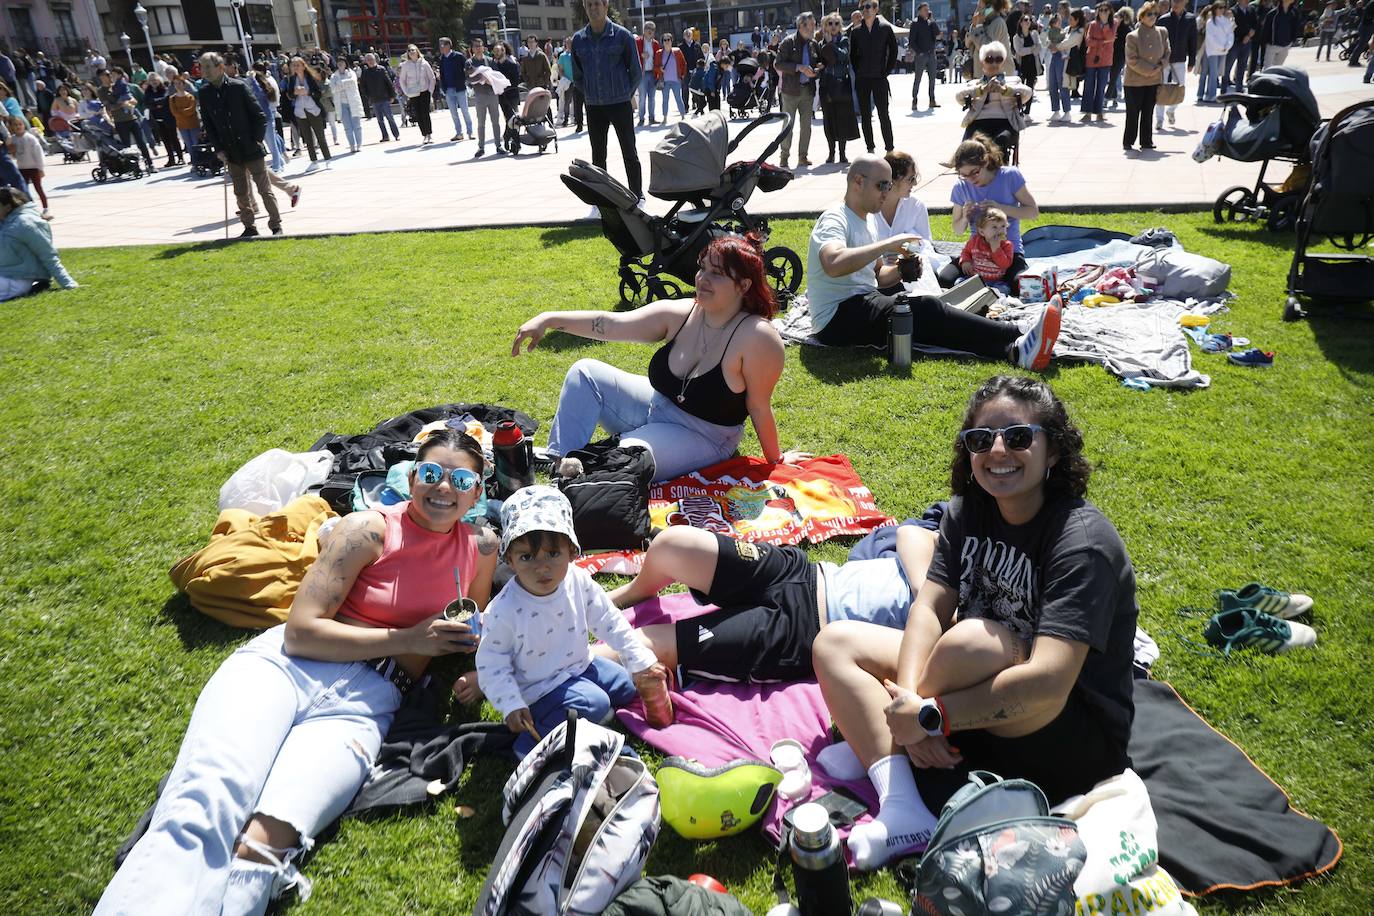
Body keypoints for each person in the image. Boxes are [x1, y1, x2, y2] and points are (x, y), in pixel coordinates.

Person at [94, 429, 495, 914]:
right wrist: (410, 639)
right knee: (205, 807)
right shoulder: (366, 530)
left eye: (460, 479)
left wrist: (472, 641)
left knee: (266, 845)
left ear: (477, 492)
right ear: (411, 479)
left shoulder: (482, 547)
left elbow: (474, 615)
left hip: (367, 704)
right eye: (431, 474)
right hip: (287, 670)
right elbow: (300, 633)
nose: (443, 489)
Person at [812, 376, 1138, 870]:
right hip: (971, 696)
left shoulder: (1083, 542)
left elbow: (1050, 682)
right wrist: (909, 696)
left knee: (974, 640)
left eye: (1020, 437)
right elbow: (929, 606)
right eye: (981, 440)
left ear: (1053, 452)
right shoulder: (968, 513)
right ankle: (903, 806)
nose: (998, 450)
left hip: (1065, 733)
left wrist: (928, 718)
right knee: (835, 643)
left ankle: (889, 743)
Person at [513, 235, 803, 481]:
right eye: (702, 268)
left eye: (717, 273)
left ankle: (576, 475)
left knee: (627, 457)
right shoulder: (681, 313)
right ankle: (558, 461)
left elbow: (759, 406)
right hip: (655, 406)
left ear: (744, 286)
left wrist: (775, 458)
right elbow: (611, 324)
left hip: (704, 436)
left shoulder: (758, 339)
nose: (702, 279)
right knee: (585, 372)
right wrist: (549, 319)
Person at [807, 153, 1060, 367]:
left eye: (889, 184)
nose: (887, 191)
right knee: (926, 310)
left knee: (925, 315)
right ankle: (1017, 339)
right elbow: (833, 263)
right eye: (882, 185)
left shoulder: (868, 219)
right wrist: (887, 244)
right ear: (858, 182)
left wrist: (901, 270)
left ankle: (1014, 344)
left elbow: (878, 276)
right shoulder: (834, 219)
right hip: (835, 319)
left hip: (862, 302)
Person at [477, 486, 667, 757]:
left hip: (580, 663)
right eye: (527, 557)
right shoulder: (504, 610)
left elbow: (608, 619)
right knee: (598, 704)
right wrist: (510, 704)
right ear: (509, 559)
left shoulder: (577, 581)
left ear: (572, 551)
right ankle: (532, 743)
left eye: (553, 554)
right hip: (539, 687)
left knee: (625, 686)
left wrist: (638, 657)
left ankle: (582, 716)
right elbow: (491, 662)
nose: (542, 568)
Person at [197, 52, 282, 239]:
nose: (204, 71)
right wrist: (218, 149)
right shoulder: (204, 93)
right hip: (230, 151)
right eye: (202, 67)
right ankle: (249, 226)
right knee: (240, 192)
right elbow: (209, 124)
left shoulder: (239, 87)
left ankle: (276, 225)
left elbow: (259, 116)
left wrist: (256, 140)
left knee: (264, 189)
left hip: (251, 147)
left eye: (207, 67)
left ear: (220, 67)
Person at [944, 134, 1042, 288]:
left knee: (1021, 285)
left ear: (986, 161)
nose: (970, 179)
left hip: (1008, 251)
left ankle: (997, 285)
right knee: (944, 278)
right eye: (964, 175)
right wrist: (964, 217)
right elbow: (957, 230)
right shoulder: (960, 187)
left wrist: (1000, 208)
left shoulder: (1009, 176)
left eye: (974, 172)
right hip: (977, 253)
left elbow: (1032, 212)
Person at [572, 0, 644, 198]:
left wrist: (624, 94)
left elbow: (636, 72)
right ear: (585, 8)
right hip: (594, 106)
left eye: (597, 4)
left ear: (606, 5)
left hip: (620, 104)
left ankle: (637, 195)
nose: (593, 9)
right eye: (589, 5)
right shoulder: (579, 39)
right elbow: (577, 76)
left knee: (629, 152)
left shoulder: (622, 36)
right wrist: (589, 94)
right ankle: (601, 196)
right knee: (598, 155)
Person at [876, 150, 947, 278]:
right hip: (878, 274)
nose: (914, 183)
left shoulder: (916, 206)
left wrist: (906, 253)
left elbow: (925, 244)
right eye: (911, 179)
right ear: (892, 180)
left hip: (911, 269)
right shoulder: (869, 208)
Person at [954, 42, 1031, 159]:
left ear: (1003, 62)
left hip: (1006, 122)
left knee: (1002, 140)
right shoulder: (974, 83)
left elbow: (1028, 93)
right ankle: (964, 164)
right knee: (972, 143)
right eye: (989, 59)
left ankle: (1000, 171)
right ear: (982, 63)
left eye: (998, 59)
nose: (994, 63)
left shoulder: (1013, 81)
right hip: (979, 122)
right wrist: (981, 89)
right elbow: (959, 97)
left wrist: (1004, 90)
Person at [850, 0, 899, 154]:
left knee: (884, 114)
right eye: (863, 7)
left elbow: (894, 51)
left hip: (879, 77)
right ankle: (870, 148)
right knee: (865, 115)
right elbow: (853, 56)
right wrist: (859, 72)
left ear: (876, 9)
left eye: (868, 7)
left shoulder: (885, 28)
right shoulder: (856, 31)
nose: (865, 10)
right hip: (863, 79)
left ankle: (889, 149)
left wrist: (887, 70)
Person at [775, 12, 822, 170]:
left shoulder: (813, 44)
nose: (813, 28)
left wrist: (815, 71)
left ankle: (803, 156)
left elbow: (819, 64)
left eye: (814, 25)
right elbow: (778, 64)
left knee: (806, 126)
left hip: (807, 91)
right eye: (811, 25)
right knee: (788, 125)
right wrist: (798, 68)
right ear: (801, 26)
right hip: (790, 91)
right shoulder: (788, 42)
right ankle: (784, 157)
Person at [1123, 2, 1169, 152]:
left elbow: (1167, 52)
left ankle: (1146, 141)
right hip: (1134, 81)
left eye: (1155, 14)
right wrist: (1150, 70)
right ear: (1141, 17)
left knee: (1148, 111)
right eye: (1149, 14)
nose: (1153, 17)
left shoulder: (1162, 32)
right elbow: (1132, 59)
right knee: (1133, 113)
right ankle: (1128, 141)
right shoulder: (1132, 36)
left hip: (1154, 80)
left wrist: (1160, 66)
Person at [818, 12, 861, 164]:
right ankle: (831, 153)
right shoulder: (820, 43)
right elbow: (820, 61)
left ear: (840, 26)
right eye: (830, 23)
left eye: (836, 23)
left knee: (842, 119)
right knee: (829, 120)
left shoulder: (843, 40)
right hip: (827, 85)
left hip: (842, 84)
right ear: (825, 26)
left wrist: (831, 44)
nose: (833, 26)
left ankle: (842, 154)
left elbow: (844, 56)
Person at [96, 68, 155, 173]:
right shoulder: (101, 91)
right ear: (101, 77)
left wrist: (129, 102)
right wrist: (122, 104)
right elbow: (109, 107)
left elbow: (134, 100)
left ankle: (150, 164)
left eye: (111, 74)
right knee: (126, 146)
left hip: (132, 118)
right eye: (107, 74)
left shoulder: (119, 85)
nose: (110, 76)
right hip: (120, 121)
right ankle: (133, 167)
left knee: (141, 143)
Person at [1155, 0, 1197, 131]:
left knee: (1180, 89)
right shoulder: (1163, 19)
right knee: (1160, 90)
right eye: (1173, 1)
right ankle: (1159, 120)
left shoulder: (1190, 19)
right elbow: (1157, 41)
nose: (1175, 3)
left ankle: (1171, 109)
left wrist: (1192, 61)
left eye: (1179, 1)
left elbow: (1193, 41)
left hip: (1180, 59)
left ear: (1185, 2)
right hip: (1163, 60)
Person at [281, 56, 331, 163]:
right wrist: (295, 92)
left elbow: (318, 93)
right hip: (300, 111)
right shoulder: (292, 79)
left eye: (298, 65)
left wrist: (307, 92)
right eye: (294, 66)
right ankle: (314, 161)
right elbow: (289, 94)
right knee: (308, 138)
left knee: (320, 136)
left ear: (303, 66)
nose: (296, 67)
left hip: (313, 109)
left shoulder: (311, 77)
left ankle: (327, 159)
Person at [1080, 1, 1117, 122]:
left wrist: (1105, 24)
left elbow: (1110, 38)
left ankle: (1099, 112)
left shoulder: (1113, 23)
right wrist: (1101, 42)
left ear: (1110, 11)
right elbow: (1088, 41)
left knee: (1101, 87)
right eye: (1101, 10)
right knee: (1089, 86)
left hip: (1105, 59)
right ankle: (1087, 112)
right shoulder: (1092, 24)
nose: (1103, 12)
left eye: (1106, 10)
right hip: (1092, 58)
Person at [467, 40, 504, 157]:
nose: (478, 48)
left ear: (483, 48)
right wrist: (481, 78)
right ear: (472, 48)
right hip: (480, 96)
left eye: (480, 46)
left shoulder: (490, 60)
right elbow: (469, 78)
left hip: (492, 94)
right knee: (481, 123)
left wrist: (489, 80)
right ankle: (481, 147)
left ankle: (498, 145)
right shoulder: (469, 62)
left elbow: (496, 75)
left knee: (496, 122)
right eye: (475, 46)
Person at [4, 119, 49, 214]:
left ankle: (46, 208)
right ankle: (29, 208)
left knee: (38, 188)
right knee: (23, 190)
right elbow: (13, 155)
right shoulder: (13, 139)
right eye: (15, 125)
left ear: (24, 125)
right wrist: (11, 149)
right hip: (22, 168)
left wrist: (40, 168)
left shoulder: (30, 138)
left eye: (20, 124)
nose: (18, 127)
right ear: (11, 128)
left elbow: (38, 154)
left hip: (33, 167)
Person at [959, 207, 1015, 282]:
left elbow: (1005, 265)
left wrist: (996, 249)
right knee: (959, 282)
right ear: (982, 232)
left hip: (996, 281)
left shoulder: (1007, 245)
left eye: (1003, 226)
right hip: (975, 279)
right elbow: (966, 251)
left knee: (1004, 289)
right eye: (994, 227)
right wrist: (965, 261)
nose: (1000, 230)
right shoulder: (975, 241)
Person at [396, 44, 436, 144]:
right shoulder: (405, 65)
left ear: (417, 51)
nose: (411, 52)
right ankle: (424, 135)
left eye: (413, 50)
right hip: (413, 93)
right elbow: (402, 80)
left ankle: (429, 134)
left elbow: (432, 78)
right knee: (418, 114)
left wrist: (430, 91)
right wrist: (406, 92)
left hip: (424, 91)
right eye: (409, 51)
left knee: (425, 113)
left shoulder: (424, 63)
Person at [437, 38, 475, 142]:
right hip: (448, 89)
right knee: (454, 113)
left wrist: (467, 81)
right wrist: (443, 87)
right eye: (440, 45)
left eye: (442, 45)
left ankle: (470, 132)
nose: (441, 47)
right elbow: (442, 74)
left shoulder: (458, 56)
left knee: (465, 111)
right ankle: (459, 133)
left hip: (460, 88)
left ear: (449, 45)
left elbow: (467, 68)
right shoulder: (442, 59)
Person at [142, 74, 183, 167]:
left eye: (155, 80)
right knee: (165, 140)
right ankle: (171, 159)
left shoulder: (165, 88)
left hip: (168, 117)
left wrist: (155, 102)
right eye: (151, 80)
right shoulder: (148, 92)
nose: (154, 82)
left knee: (174, 139)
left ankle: (180, 157)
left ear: (159, 80)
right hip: (157, 119)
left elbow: (166, 99)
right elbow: (146, 103)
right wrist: (156, 105)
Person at [1198, 2, 1235, 103]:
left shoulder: (1226, 21)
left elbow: (1230, 34)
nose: (1222, 10)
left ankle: (1209, 94)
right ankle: (1211, 95)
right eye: (1219, 8)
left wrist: (1227, 46)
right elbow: (1210, 38)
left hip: (1223, 51)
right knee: (1210, 72)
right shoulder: (1210, 22)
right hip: (1212, 51)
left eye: (1223, 8)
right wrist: (1220, 47)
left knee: (1216, 73)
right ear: (1215, 9)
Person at [359, 53, 399, 142]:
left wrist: (392, 95)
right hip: (374, 99)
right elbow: (363, 87)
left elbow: (389, 83)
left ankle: (396, 134)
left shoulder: (381, 69)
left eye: (371, 59)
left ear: (375, 59)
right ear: (366, 61)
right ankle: (385, 136)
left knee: (390, 117)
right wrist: (368, 96)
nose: (370, 61)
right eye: (368, 60)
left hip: (385, 98)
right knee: (380, 120)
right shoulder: (365, 72)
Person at [910, 3, 943, 110]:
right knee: (918, 79)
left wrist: (932, 21)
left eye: (928, 10)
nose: (927, 12)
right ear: (919, 11)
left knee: (932, 79)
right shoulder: (915, 23)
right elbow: (912, 41)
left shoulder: (930, 23)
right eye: (925, 10)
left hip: (931, 54)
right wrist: (919, 52)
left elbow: (938, 34)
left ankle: (932, 100)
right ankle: (914, 100)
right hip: (921, 55)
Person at [329, 56, 364, 153]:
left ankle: (359, 144)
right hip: (342, 104)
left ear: (345, 63)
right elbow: (333, 89)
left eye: (342, 62)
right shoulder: (334, 76)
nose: (340, 63)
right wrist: (344, 85)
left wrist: (340, 84)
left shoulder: (351, 73)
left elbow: (353, 82)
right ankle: (352, 145)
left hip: (353, 102)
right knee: (347, 127)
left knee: (356, 125)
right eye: (339, 62)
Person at [1011, 14, 1043, 117]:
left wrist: (1030, 50)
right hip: (1021, 65)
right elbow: (1019, 51)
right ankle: (1020, 109)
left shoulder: (1034, 34)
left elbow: (1039, 47)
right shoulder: (1016, 37)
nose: (1028, 22)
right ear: (1020, 23)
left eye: (1029, 20)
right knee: (1020, 89)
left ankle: (1027, 111)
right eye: (1025, 20)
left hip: (1033, 65)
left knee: (1030, 89)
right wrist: (1031, 49)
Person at [1225, 0, 1259, 91]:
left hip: (1247, 42)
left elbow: (1255, 24)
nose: (1247, 1)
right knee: (1228, 66)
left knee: (1242, 66)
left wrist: (1249, 35)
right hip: (1235, 42)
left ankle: (1239, 89)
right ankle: (1224, 88)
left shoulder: (1251, 10)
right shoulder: (1233, 11)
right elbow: (1231, 26)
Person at [1106, 7, 1134, 110]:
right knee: (1111, 76)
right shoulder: (1112, 27)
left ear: (1122, 18)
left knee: (1114, 76)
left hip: (1120, 56)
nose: (1115, 18)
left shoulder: (1127, 29)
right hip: (1110, 54)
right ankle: (1113, 98)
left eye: (1118, 16)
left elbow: (1127, 44)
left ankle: (1106, 97)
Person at [1260, 0, 1303, 66]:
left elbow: (1295, 28)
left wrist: (1291, 41)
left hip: (1286, 45)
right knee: (1267, 69)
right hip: (1272, 45)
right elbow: (1265, 31)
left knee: (1278, 69)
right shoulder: (1272, 14)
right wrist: (1266, 43)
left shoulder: (1294, 13)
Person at [635, 21, 661, 126]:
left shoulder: (655, 43)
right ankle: (641, 118)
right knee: (642, 98)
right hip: (642, 73)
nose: (650, 31)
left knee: (652, 97)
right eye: (648, 28)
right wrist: (641, 55)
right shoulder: (637, 41)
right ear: (644, 30)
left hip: (652, 73)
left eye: (652, 29)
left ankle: (652, 118)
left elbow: (658, 58)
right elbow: (632, 55)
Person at [168, 75, 201, 160]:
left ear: (183, 84)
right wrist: (183, 111)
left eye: (179, 83)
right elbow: (174, 112)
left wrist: (180, 111)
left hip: (193, 124)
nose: (178, 85)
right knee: (189, 145)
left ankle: (200, 160)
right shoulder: (172, 99)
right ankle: (194, 161)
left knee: (196, 143)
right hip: (182, 125)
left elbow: (191, 109)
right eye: (175, 84)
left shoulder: (190, 96)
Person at [659, 34, 688, 121]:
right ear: (663, 42)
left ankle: (683, 115)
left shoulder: (677, 52)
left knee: (678, 98)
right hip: (665, 81)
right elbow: (655, 66)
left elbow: (684, 64)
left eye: (668, 40)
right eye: (665, 40)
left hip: (676, 80)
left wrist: (683, 74)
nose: (667, 42)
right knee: (665, 100)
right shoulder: (659, 53)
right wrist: (659, 69)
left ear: (671, 41)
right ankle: (664, 117)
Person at [556, 37, 582, 129]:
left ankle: (576, 119)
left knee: (577, 103)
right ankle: (566, 119)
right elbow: (560, 69)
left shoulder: (577, 54)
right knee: (567, 101)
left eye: (570, 43)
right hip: (568, 82)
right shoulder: (563, 56)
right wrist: (565, 79)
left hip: (578, 81)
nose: (569, 45)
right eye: (567, 43)